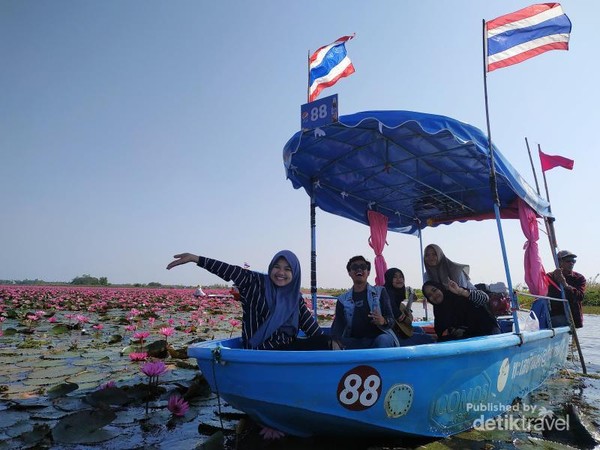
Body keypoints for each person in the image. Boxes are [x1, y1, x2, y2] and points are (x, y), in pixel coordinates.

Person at [167, 250, 334, 350]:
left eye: (287, 269)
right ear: (271, 267)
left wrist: (331, 343)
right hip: (259, 352)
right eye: (277, 266)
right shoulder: (254, 282)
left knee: (328, 342)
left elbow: (313, 331)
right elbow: (229, 270)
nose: (281, 272)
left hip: (288, 351)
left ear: (295, 273)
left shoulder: (294, 298)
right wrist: (196, 259)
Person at [331, 256, 398, 349]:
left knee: (383, 340)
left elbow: (391, 320)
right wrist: (335, 340)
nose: (359, 269)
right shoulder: (342, 300)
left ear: (368, 272)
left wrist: (383, 320)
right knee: (334, 343)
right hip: (355, 341)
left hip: (378, 339)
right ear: (349, 273)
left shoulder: (380, 292)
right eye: (354, 267)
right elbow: (338, 325)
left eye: (363, 267)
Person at [422, 279, 500, 341]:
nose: (434, 295)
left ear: (440, 288)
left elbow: (485, 299)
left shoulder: (457, 293)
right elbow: (440, 330)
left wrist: (461, 291)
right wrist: (452, 331)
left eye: (434, 290)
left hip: (488, 333)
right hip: (467, 339)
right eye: (429, 295)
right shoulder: (439, 311)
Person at [384, 268, 434, 345]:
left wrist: (410, 302)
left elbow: (404, 317)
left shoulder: (396, 298)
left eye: (401, 277)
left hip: (398, 330)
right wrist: (407, 318)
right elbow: (404, 319)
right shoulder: (386, 295)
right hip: (392, 335)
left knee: (419, 329)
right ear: (389, 279)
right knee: (430, 338)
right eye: (395, 277)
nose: (399, 279)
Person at [546, 250, 586, 328]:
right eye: (568, 261)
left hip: (573, 317)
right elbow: (545, 294)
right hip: (554, 315)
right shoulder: (549, 277)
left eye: (573, 261)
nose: (571, 263)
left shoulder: (579, 278)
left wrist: (565, 284)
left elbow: (580, 296)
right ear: (559, 262)